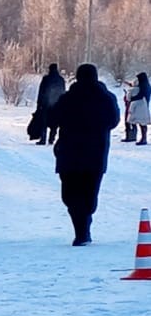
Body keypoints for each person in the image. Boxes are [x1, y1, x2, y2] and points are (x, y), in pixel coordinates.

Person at [48, 63, 121, 246]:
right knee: (89, 193)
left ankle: (81, 230)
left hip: (69, 154)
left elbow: (52, 119)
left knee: (71, 195)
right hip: (95, 155)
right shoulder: (106, 98)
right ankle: (84, 228)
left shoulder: (67, 98)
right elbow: (113, 121)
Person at [30, 63, 66, 145]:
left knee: (44, 122)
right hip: (57, 105)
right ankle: (51, 139)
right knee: (55, 123)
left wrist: (39, 104)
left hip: (46, 104)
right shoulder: (61, 80)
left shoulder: (46, 79)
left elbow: (41, 91)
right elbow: (63, 92)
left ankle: (43, 139)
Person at [127, 71, 150, 145]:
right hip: (145, 105)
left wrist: (132, 98)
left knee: (142, 123)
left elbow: (140, 95)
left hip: (141, 106)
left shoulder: (143, 86)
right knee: (143, 123)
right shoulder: (146, 85)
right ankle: (144, 138)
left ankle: (143, 139)